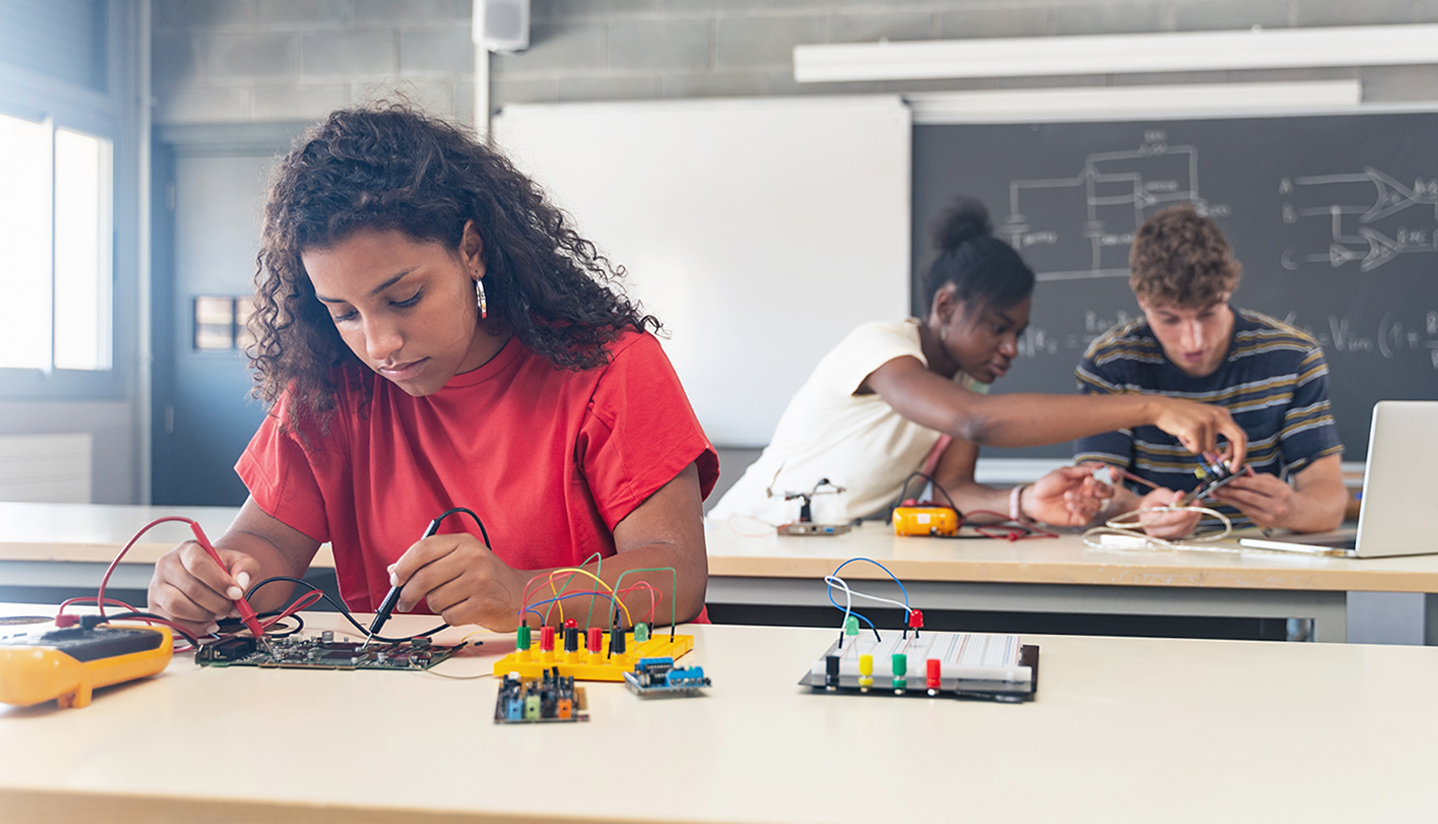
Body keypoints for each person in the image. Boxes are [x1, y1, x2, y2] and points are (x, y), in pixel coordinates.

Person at [149, 104, 717, 636]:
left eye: (405, 297)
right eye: (344, 313)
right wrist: (218, 578)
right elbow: (264, 540)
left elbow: (677, 573)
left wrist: (523, 595)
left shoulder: (608, 365)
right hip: (415, 713)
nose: (380, 344)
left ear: (472, 249)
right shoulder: (330, 388)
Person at [709, 198, 1246, 527]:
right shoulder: (880, 350)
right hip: (746, 545)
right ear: (945, 307)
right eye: (998, 327)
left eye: (1018, 332)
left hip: (825, 561)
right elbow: (976, 421)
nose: (1011, 347)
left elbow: (955, 491)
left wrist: (1027, 501)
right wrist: (1152, 407)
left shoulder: (965, 384)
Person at [1074, 203, 1346, 538]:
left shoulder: (1292, 357)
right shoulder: (1110, 362)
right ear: (1141, 300)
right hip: (1143, 563)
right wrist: (1138, 512)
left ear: (1228, 291)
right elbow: (1093, 496)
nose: (1193, 341)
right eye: (1169, 319)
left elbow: (1329, 498)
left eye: (1208, 313)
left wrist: (1292, 509)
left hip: (1256, 560)